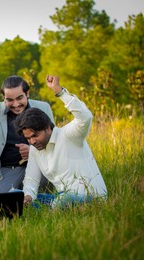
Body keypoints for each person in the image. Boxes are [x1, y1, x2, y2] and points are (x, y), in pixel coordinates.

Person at [15, 75, 108, 208]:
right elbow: (31, 180)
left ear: (48, 127)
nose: (32, 142)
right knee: (15, 196)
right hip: (59, 199)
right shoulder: (35, 150)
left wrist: (60, 92)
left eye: (35, 136)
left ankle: (50, 211)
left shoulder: (69, 134)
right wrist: (28, 197)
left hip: (91, 198)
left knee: (62, 200)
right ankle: (40, 211)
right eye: (28, 138)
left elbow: (85, 117)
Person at [0, 75, 54, 194]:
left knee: (42, 197)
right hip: (6, 170)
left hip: (39, 166)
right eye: (10, 100)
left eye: (19, 98)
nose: (16, 104)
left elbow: (53, 140)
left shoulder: (43, 107)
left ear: (27, 93)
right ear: (3, 98)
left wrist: (32, 151)